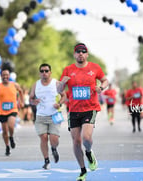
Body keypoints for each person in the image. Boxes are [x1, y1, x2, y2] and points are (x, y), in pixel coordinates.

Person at [57, 43, 108, 181]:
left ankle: (89, 152)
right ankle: (82, 170)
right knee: (76, 141)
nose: (80, 53)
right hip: (73, 110)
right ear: (74, 54)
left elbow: (105, 80)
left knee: (86, 138)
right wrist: (62, 84)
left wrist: (101, 87)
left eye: (83, 51)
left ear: (87, 54)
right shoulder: (68, 70)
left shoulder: (94, 68)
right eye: (78, 51)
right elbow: (59, 90)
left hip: (90, 108)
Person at [29, 63, 66, 170]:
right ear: (39, 73)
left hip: (54, 115)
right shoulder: (36, 85)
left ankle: (54, 149)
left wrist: (59, 104)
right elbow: (30, 99)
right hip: (40, 116)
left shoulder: (56, 83)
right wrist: (33, 101)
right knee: (44, 138)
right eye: (42, 71)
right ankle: (46, 161)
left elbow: (64, 96)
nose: (44, 73)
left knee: (54, 139)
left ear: (50, 72)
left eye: (46, 71)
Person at [0, 68, 24, 156]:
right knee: (5, 131)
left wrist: (21, 101)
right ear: (1, 76)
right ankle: (7, 146)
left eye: (7, 75)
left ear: (9, 76)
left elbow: (21, 91)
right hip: (2, 111)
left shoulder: (14, 85)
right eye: (3, 75)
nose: (5, 77)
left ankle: (11, 137)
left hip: (12, 109)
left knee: (11, 126)